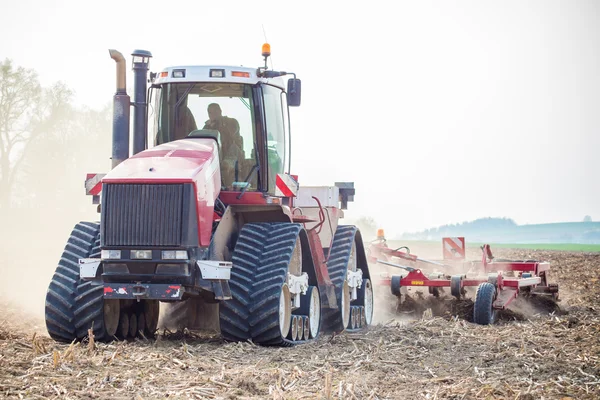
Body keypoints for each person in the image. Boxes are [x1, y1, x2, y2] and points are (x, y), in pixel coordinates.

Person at [203, 103, 245, 186]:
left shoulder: (232, 122)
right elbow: (203, 141)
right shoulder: (207, 126)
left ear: (220, 111)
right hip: (215, 158)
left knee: (226, 167)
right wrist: (209, 126)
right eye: (210, 112)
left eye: (215, 111)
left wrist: (218, 124)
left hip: (232, 157)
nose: (212, 114)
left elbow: (230, 135)